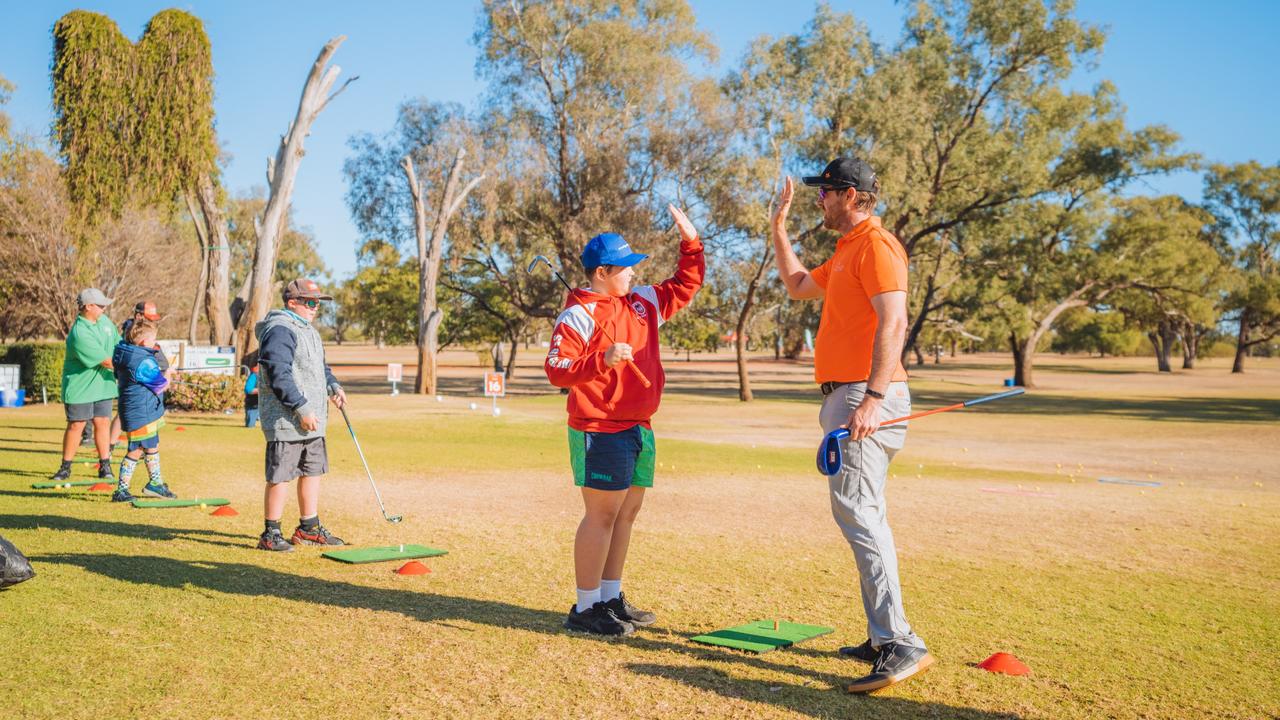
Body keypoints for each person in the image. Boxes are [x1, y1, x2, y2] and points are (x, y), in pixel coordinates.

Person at [770, 157, 933, 693]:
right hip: (850, 395)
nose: (819, 200)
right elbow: (796, 285)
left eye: (824, 193)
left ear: (850, 195)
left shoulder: (879, 247)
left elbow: (895, 321)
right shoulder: (846, 251)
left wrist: (874, 398)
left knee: (860, 516)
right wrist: (777, 228)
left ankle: (899, 642)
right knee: (864, 515)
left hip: (866, 394)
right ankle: (880, 633)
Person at [543, 205, 704, 636]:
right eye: (625, 268)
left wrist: (691, 243)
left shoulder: (643, 303)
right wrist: (602, 359)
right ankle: (585, 607)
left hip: (639, 425)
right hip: (599, 428)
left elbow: (686, 284)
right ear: (600, 272)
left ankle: (610, 598)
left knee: (627, 512)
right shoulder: (577, 314)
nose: (633, 273)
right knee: (601, 515)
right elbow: (557, 369)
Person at [254, 278, 348, 551]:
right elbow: (277, 373)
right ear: (292, 302)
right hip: (287, 419)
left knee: (312, 472)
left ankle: (308, 528)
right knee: (281, 475)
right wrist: (300, 407)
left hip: (314, 419)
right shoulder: (280, 329)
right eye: (310, 302)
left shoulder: (310, 331)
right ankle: (270, 534)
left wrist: (333, 384)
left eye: (318, 302)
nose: (315, 307)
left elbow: (320, 367)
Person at [52, 289, 120, 483]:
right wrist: (133, 370)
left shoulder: (105, 322)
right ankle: (65, 467)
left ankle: (105, 465)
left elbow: (118, 344)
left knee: (103, 423)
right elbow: (107, 361)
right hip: (80, 387)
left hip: (103, 384)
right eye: (100, 305)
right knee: (77, 425)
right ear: (88, 306)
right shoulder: (79, 332)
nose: (104, 308)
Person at [110, 319, 175, 502]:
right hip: (141, 412)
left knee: (151, 446)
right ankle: (121, 490)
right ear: (144, 342)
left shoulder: (128, 354)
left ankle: (155, 483)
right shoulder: (142, 361)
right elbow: (160, 386)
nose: (155, 344)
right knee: (136, 449)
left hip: (140, 410)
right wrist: (168, 374)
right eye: (154, 340)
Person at [243, 363, 260, 428]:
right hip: (253, 405)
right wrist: (262, 390)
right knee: (250, 426)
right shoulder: (254, 375)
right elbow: (248, 390)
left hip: (267, 405)